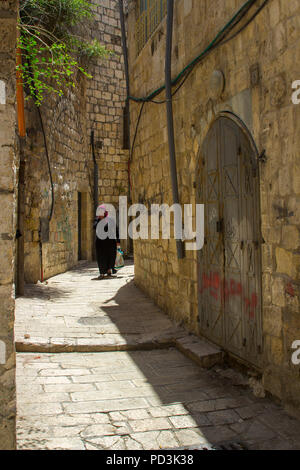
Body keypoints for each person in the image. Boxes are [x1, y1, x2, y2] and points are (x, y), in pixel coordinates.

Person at [93, 204, 120, 280]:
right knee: (101, 257)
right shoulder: (97, 220)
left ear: (105, 212)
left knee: (110, 256)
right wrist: (99, 220)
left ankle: (109, 271)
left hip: (110, 242)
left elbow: (116, 230)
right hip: (100, 243)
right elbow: (94, 227)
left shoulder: (110, 220)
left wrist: (118, 241)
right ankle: (101, 273)